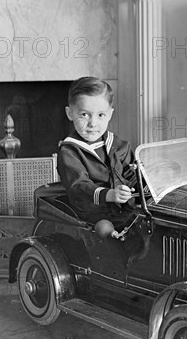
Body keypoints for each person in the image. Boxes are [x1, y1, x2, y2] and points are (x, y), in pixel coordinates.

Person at [57, 76, 137, 228]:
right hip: (93, 215)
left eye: (100, 115)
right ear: (70, 114)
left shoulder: (118, 145)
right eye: (84, 115)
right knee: (107, 229)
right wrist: (109, 194)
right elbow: (79, 186)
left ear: (110, 115)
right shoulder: (70, 151)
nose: (93, 123)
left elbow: (131, 175)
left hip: (124, 210)